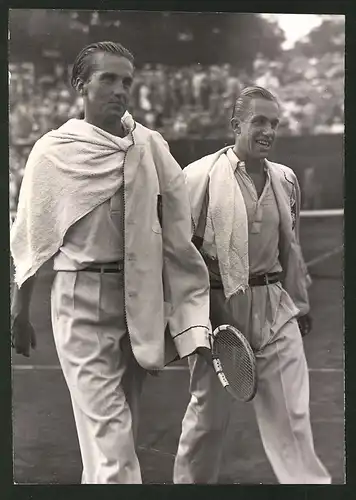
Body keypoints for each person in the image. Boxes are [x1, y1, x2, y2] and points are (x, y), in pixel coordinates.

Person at [10, 41, 212, 484]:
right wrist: (20, 310)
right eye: (108, 79)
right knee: (112, 445)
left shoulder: (148, 144)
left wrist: (183, 310)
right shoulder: (53, 151)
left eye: (127, 81)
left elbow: (178, 231)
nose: (121, 90)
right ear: (81, 85)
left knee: (113, 440)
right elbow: (32, 237)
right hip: (79, 303)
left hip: (137, 304)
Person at [173, 86, 331, 484]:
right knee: (207, 422)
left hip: (276, 309)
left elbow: (290, 247)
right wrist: (194, 322)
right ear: (235, 125)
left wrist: (301, 303)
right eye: (259, 121)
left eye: (274, 124)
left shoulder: (286, 179)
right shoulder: (198, 177)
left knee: (293, 421)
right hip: (219, 313)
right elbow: (179, 255)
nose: (268, 131)